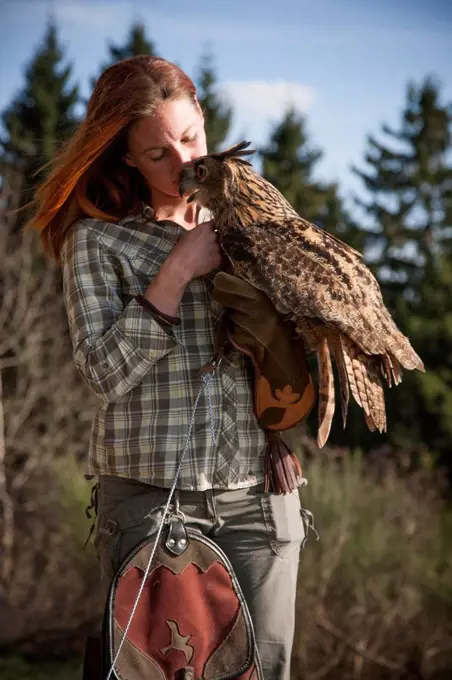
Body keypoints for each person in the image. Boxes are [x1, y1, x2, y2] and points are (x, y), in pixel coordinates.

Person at [26, 55, 308, 679]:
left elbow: (278, 347)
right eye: (157, 154)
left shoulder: (249, 225)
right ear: (126, 157)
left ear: (204, 120)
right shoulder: (97, 242)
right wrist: (177, 270)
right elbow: (101, 373)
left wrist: (276, 429)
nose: (182, 163)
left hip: (255, 496)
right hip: (149, 499)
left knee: (267, 671)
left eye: (189, 139)